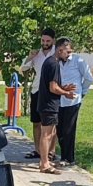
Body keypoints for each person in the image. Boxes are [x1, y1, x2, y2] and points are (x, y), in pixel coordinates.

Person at [35, 38, 77, 174]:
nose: (68, 55)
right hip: (49, 104)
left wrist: (63, 88)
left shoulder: (51, 62)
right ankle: (44, 163)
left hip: (47, 102)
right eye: (67, 52)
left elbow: (52, 85)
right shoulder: (53, 64)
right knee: (47, 134)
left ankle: (45, 161)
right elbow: (53, 88)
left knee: (49, 133)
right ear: (60, 50)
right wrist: (66, 93)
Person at [20, 28, 56, 160]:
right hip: (36, 90)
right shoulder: (37, 54)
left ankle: (51, 152)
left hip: (51, 92)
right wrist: (30, 57)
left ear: (53, 40)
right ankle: (38, 150)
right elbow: (23, 68)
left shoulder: (56, 53)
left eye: (48, 41)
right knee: (36, 122)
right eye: (43, 40)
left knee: (51, 123)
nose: (45, 43)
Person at [56, 40, 93, 167]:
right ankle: (63, 155)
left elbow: (89, 78)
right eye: (62, 50)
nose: (65, 53)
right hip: (59, 99)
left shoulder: (78, 61)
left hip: (73, 100)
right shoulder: (56, 61)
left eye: (68, 50)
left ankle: (69, 158)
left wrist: (82, 92)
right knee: (59, 130)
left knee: (69, 130)